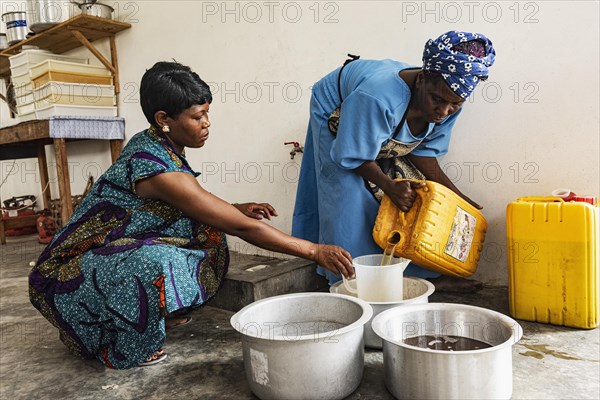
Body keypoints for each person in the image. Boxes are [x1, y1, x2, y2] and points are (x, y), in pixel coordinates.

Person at [28, 61, 354, 370]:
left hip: (110, 247)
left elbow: (194, 202)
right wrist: (313, 250)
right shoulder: (154, 167)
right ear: (163, 119)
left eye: (207, 114)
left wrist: (234, 208)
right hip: (64, 272)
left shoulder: (158, 143)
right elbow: (237, 226)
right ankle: (120, 341)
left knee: (206, 239)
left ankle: (151, 308)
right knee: (153, 263)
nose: (207, 123)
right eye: (198, 116)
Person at [292, 31, 496, 292]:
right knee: (347, 189)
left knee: (417, 195)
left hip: (373, 111)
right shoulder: (378, 97)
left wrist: (458, 198)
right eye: (438, 100)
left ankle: (419, 277)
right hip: (336, 102)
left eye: (454, 104)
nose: (444, 112)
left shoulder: (450, 99)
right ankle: (350, 278)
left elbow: (424, 153)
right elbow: (351, 154)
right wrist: (388, 185)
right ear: (422, 79)